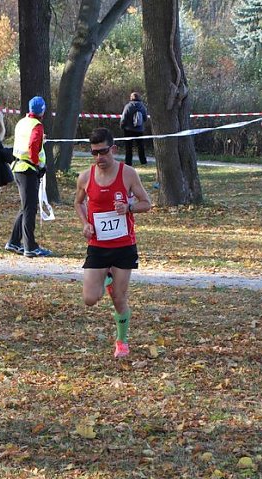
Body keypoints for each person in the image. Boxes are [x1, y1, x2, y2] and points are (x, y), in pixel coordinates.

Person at [74, 127, 152, 358]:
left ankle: (122, 341)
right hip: (98, 245)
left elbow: (146, 203)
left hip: (123, 246)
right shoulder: (85, 177)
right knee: (89, 299)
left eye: (103, 152)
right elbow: (78, 203)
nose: (100, 158)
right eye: (95, 153)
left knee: (119, 298)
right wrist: (85, 224)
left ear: (114, 149)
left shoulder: (128, 174)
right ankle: (106, 278)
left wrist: (128, 207)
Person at [6, 96, 51, 258]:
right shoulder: (37, 126)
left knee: (25, 207)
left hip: (18, 167)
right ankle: (30, 246)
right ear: (43, 110)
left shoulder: (22, 122)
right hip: (28, 169)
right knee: (30, 210)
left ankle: (13, 242)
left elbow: (26, 142)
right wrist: (38, 164)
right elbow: (32, 147)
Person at [120, 92, 148, 166]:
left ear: (131, 98)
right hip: (139, 130)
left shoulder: (128, 106)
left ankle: (128, 162)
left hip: (128, 130)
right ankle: (143, 161)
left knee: (128, 147)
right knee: (141, 146)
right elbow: (145, 118)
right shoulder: (143, 106)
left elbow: (124, 118)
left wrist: (122, 126)